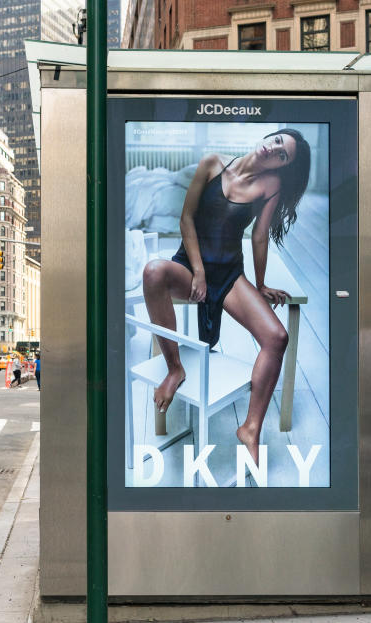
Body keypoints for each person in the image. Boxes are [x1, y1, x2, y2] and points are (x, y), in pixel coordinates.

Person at [141, 129, 311, 459]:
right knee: (152, 272)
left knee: (277, 337)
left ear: (282, 166)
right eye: (277, 142)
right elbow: (186, 218)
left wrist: (260, 285)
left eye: (283, 155)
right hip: (190, 266)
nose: (273, 151)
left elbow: (260, 237)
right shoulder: (212, 163)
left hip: (230, 274)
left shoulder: (269, 186)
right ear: (269, 136)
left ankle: (250, 427)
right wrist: (199, 273)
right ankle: (175, 368)